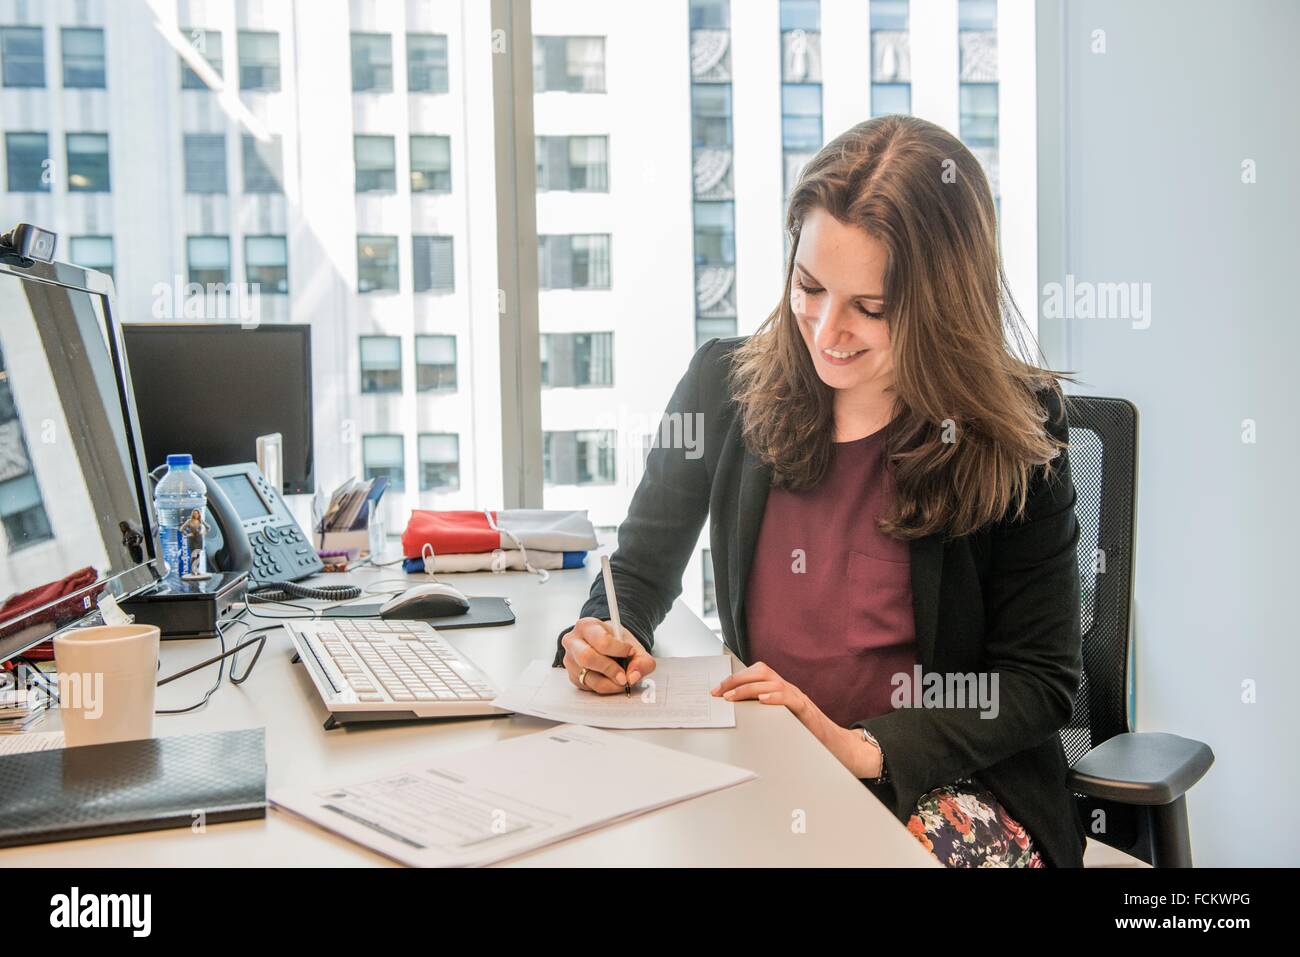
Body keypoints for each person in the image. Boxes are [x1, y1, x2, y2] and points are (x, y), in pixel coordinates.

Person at [552, 115, 1085, 868]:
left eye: (870, 308)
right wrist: (606, 633)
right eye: (810, 287)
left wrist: (861, 746)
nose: (828, 330)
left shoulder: (1016, 430)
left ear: (943, 304)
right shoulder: (724, 385)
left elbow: (1036, 682)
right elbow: (635, 572)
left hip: (948, 783)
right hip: (772, 766)